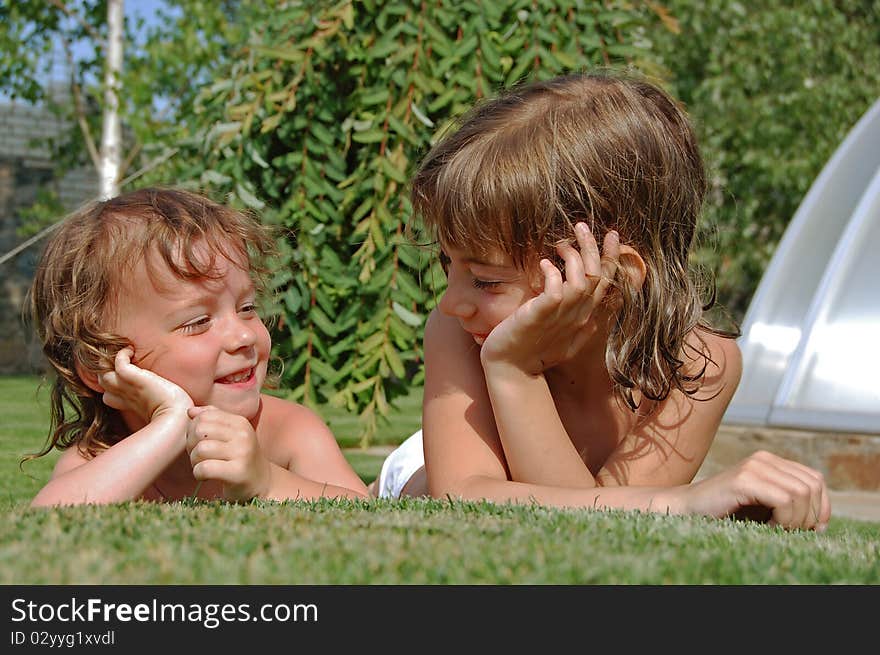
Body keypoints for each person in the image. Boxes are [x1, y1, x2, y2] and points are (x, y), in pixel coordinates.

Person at [373, 71, 830, 531]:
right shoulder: (458, 334)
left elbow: (593, 522)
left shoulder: (698, 366)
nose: (451, 303)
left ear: (612, 279)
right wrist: (514, 369)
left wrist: (517, 373)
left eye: (486, 281)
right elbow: (466, 496)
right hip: (428, 466)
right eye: (446, 266)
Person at [26, 187, 369, 506]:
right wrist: (170, 423)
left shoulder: (287, 432)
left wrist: (266, 482)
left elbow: (362, 511)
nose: (244, 336)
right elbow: (52, 515)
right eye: (198, 322)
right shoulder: (100, 457)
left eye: (247, 308)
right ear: (102, 364)